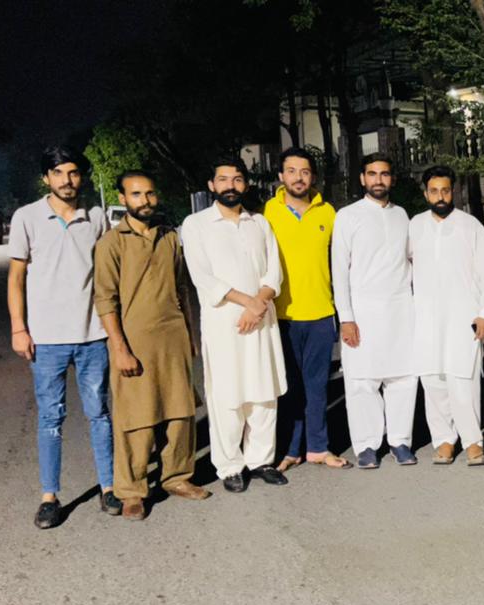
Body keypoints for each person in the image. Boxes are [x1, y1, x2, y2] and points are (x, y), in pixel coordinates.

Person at [7, 146, 116, 529]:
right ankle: (49, 496)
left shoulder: (96, 217)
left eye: (73, 173)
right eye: (58, 173)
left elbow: (109, 270)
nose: (66, 180)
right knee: (51, 418)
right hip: (47, 339)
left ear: (81, 177)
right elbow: (16, 277)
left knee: (99, 413)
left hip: (92, 335)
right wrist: (19, 328)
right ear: (46, 178)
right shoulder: (27, 217)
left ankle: (109, 486)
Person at [93, 170, 207, 520]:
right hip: (134, 342)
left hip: (172, 339)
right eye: (136, 194)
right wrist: (120, 348)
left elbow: (183, 289)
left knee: (179, 412)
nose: (145, 201)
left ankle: (177, 477)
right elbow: (105, 299)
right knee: (137, 419)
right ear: (123, 199)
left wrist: (192, 335)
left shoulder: (169, 237)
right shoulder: (112, 243)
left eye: (150, 193)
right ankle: (132, 491)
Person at [181, 158, 289, 492]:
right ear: (211, 185)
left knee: (264, 392)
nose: (231, 185)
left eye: (237, 179)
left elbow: (274, 272)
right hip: (225, 323)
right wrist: (248, 302)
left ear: (245, 184)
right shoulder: (196, 224)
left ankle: (261, 460)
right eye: (224, 179)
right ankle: (230, 466)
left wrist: (259, 303)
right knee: (228, 395)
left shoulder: (259, 223)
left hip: (261, 320)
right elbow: (202, 276)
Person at [409, 165, 484, 467]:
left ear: (454, 192)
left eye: (445, 190)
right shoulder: (415, 225)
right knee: (433, 380)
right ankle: (444, 440)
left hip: (463, 315)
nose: (440, 196)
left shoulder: (470, 225)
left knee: (464, 379)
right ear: (425, 194)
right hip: (426, 316)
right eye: (434, 191)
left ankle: (473, 441)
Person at [331, 153, 418, 470]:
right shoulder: (348, 216)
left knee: (403, 377)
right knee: (362, 381)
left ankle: (400, 441)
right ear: (362, 178)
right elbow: (339, 270)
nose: (378, 180)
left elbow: (410, 259)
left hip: (400, 307)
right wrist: (346, 318)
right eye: (372, 174)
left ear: (391, 179)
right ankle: (367, 445)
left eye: (384, 174)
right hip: (363, 310)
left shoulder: (402, 215)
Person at [264, 147, 347, 472]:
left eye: (305, 171)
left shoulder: (328, 213)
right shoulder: (266, 213)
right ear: (281, 176)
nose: (298, 178)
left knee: (317, 386)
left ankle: (318, 448)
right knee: (288, 387)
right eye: (292, 171)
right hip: (281, 315)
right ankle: (289, 449)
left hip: (321, 314)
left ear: (313, 176)